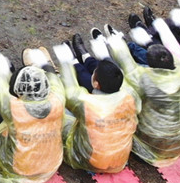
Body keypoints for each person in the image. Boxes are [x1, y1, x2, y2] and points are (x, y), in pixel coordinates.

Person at [107, 28, 180, 164]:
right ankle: (132, 46)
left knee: (118, 80)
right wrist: (148, 42)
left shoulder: (146, 81)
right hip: (177, 141)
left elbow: (127, 66)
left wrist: (117, 46)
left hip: (151, 142)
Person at [55, 39, 139, 175]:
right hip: (119, 161)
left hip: (87, 160)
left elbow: (70, 92)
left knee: (59, 109)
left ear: (95, 84)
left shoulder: (87, 103)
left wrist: (65, 62)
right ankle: (81, 58)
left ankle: (74, 60)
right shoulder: (129, 97)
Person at [0, 51, 65, 183]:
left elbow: (0, 89)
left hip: (17, 168)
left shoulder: (14, 107)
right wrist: (45, 64)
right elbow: (55, 81)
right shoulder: (58, 100)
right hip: (49, 168)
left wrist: (1, 70)